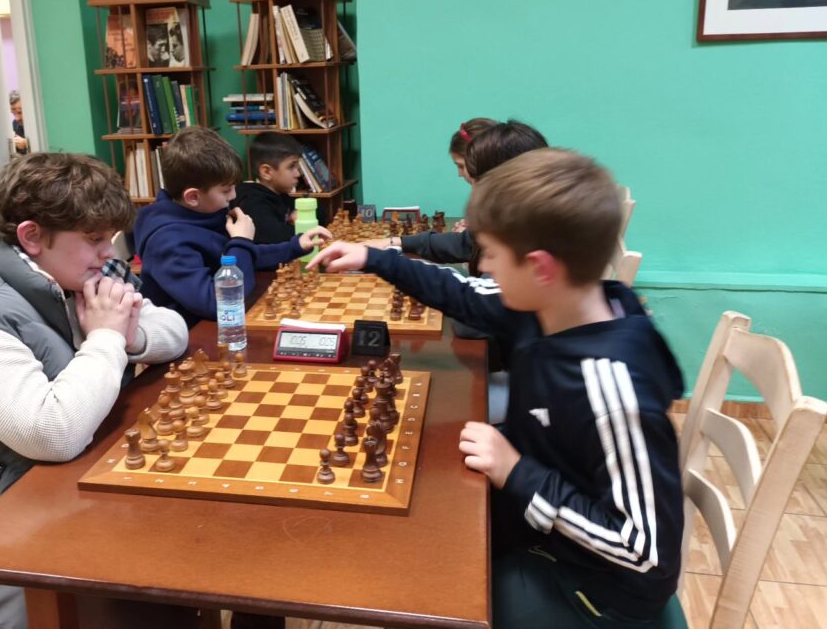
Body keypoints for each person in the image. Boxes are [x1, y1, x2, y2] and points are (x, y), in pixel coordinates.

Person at [310, 149, 686, 628]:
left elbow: (644, 553)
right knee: (410, 509)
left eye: (490, 254)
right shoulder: (548, 307)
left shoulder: (613, 391)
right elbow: (461, 295)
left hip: (592, 592)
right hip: (542, 527)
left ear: (541, 268)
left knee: (415, 579)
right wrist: (374, 258)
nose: (483, 266)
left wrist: (517, 472)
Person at [0, 153, 190, 629]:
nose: (110, 253)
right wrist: (107, 337)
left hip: (65, 511)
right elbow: (52, 433)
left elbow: (174, 330)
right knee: (170, 588)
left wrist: (127, 334)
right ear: (32, 236)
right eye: (94, 239)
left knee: (181, 567)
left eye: (111, 237)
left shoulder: (77, 275)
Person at [134, 126, 330, 326]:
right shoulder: (166, 242)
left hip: (218, 326)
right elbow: (220, 304)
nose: (234, 195)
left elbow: (244, 257)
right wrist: (241, 240)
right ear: (193, 197)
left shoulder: (205, 213)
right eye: (226, 190)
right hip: (189, 336)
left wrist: (295, 246)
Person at [365, 120, 547, 271]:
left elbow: (469, 293)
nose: (462, 175)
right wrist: (395, 243)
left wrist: (391, 263)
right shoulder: (516, 217)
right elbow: (465, 245)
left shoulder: (525, 237)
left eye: (463, 166)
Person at [235, 132, 304, 244]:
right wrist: (304, 223)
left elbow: (321, 212)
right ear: (266, 172)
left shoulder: (280, 195)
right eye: (291, 166)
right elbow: (279, 239)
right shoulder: (252, 204)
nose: (298, 174)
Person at [8, 90, 28, 155]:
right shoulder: (15, 124)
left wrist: (26, 144)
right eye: (13, 114)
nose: (17, 119)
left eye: (20, 112)